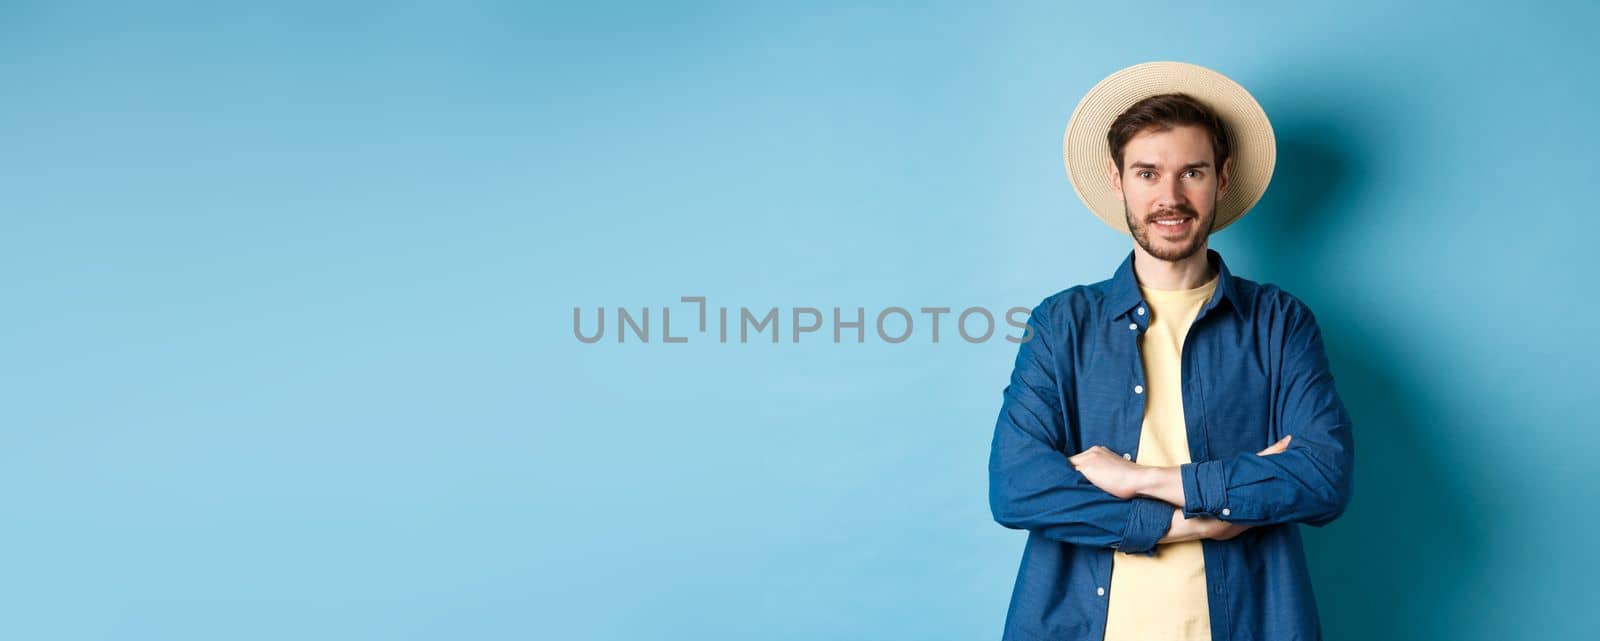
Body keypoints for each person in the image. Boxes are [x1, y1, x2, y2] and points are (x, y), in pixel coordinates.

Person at [988, 61, 1355, 641]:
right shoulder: (1062, 323)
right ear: (1118, 181)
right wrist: (1195, 522)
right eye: (1148, 173)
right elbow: (1016, 489)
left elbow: (1320, 478)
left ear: (1223, 178)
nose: (1170, 196)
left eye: (1192, 172)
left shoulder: (1280, 323)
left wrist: (1139, 478)